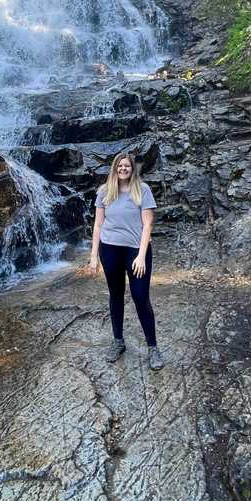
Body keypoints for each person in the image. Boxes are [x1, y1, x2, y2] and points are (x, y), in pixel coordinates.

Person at [87, 152, 163, 370]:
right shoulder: (104, 192)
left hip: (135, 251)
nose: (123, 169)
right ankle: (118, 341)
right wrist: (94, 256)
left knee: (140, 298)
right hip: (109, 249)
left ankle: (153, 348)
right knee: (116, 294)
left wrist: (141, 255)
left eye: (127, 166)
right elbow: (98, 226)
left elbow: (148, 225)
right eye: (120, 166)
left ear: (132, 169)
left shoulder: (143, 190)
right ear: (114, 168)